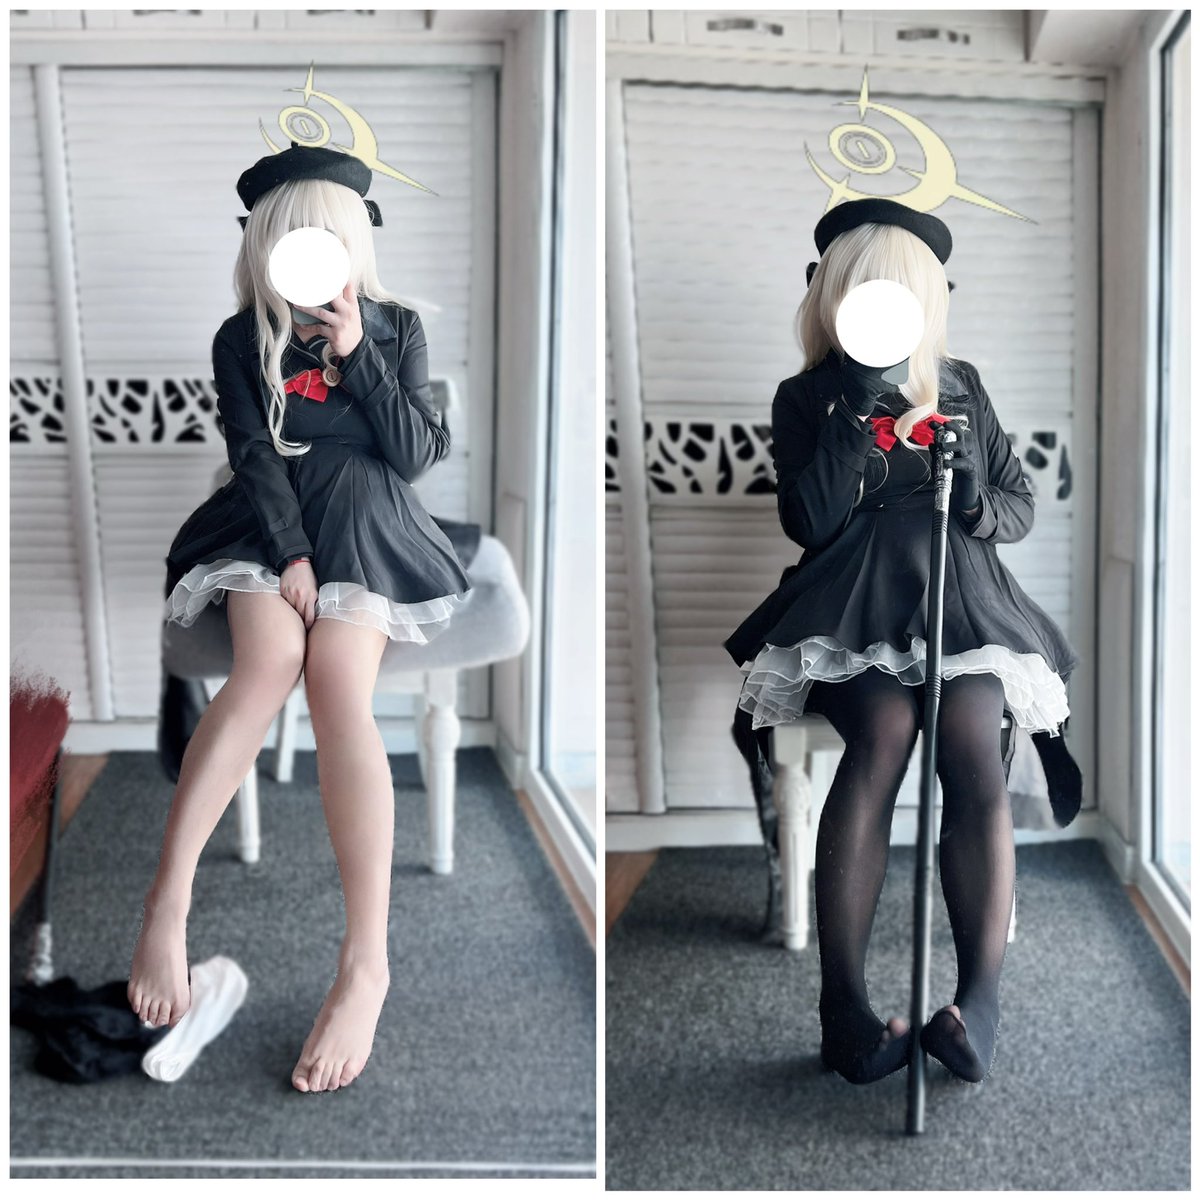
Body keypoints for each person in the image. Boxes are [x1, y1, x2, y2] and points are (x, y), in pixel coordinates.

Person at [128, 142, 471, 1094]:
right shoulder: (240, 339)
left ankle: (367, 963)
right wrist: (289, 556)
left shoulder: (396, 327)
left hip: (370, 518)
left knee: (336, 687)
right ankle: (168, 901)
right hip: (267, 521)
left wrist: (357, 354)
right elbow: (252, 454)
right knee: (266, 665)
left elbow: (415, 456)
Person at [724, 198, 1080, 1086]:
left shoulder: (961, 385)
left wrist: (970, 495)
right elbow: (810, 521)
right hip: (852, 602)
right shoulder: (808, 396)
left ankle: (977, 1005)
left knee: (970, 736)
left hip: (964, 600)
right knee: (883, 731)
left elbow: (1017, 506)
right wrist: (854, 405)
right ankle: (842, 1008)